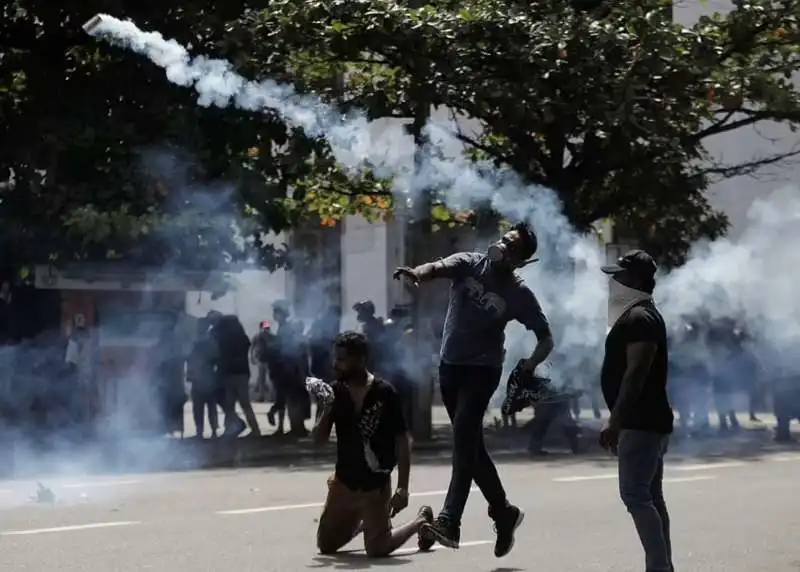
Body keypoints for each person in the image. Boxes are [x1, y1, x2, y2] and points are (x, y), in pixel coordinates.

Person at [393, 222, 554, 557]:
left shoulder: (518, 292)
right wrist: (418, 273)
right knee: (471, 447)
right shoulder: (469, 262)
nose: (504, 245)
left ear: (520, 260)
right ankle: (503, 512)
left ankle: (450, 520)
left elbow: (546, 336)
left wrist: (530, 363)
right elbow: (438, 267)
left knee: (464, 440)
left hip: (483, 371)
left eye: (513, 246)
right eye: (505, 238)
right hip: (450, 366)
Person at [312, 331, 433, 557]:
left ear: (360, 360)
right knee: (326, 545)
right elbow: (318, 442)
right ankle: (366, 524)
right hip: (344, 482)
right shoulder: (335, 392)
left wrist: (402, 488)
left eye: (341, 360)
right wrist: (326, 408)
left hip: (374, 485)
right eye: (335, 359)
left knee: (378, 549)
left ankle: (420, 521)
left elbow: (403, 440)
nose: (335, 365)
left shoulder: (384, 392)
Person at [599, 249, 674, 572]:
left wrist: (616, 422)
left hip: (640, 423)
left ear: (635, 279)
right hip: (648, 421)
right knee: (650, 497)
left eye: (620, 274)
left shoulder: (641, 318)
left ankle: (659, 568)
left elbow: (636, 373)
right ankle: (662, 566)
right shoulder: (639, 315)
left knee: (636, 496)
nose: (613, 281)